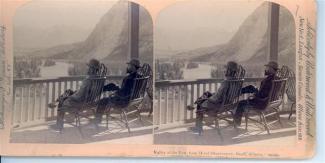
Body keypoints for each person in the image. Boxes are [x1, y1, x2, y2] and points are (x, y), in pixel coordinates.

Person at [49, 59, 101, 131]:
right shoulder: (99, 79)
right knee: (69, 91)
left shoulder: (88, 80)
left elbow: (80, 95)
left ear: (92, 69)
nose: (88, 69)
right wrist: (74, 93)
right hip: (89, 101)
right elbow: (86, 92)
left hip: (80, 103)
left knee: (63, 101)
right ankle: (57, 101)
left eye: (89, 67)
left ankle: (59, 124)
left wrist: (70, 97)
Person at [187, 61, 239, 133]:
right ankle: (196, 104)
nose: (225, 71)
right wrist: (211, 95)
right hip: (229, 103)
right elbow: (223, 94)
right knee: (207, 93)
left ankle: (198, 127)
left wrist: (207, 99)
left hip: (219, 105)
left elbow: (217, 98)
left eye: (226, 69)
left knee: (200, 104)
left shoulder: (226, 82)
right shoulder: (237, 82)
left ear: (229, 70)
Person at [94, 59, 142, 124]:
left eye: (129, 65)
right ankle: (102, 89)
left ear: (133, 67)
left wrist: (115, 93)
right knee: (112, 86)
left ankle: (97, 121)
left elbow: (124, 92)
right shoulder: (140, 77)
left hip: (124, 101)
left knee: (102, 101)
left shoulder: (128, 78)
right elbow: (128, 89)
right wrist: (117, 88)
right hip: (134, 99)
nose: (127, 67)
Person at [233, 61, 280, 126]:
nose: (266, 69)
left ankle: (236, 123)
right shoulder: (277, 79)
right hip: (270, 101)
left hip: (261, 102)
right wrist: (257, 90)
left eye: (267, 68)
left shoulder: (269, 80)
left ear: (271, 69)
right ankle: (238, 92)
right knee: (251, 87)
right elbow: (267, 92)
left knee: (240, 103)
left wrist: (255, 94)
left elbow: (262, 94)